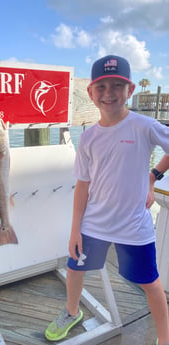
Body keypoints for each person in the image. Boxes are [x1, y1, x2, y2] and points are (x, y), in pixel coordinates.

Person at [45, 55, 169, 345]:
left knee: (151, 284)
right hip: (94, 223)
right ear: (90, 93)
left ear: (130, 90)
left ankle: (163, 339)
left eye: (117, 85)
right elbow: (82, 186)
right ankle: (72, 312)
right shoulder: (88, 138)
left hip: (134, 227)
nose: (109, 93)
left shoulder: (144, 126)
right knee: (75, 268)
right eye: (101, 87)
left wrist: (153, 175)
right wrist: (75, 228)